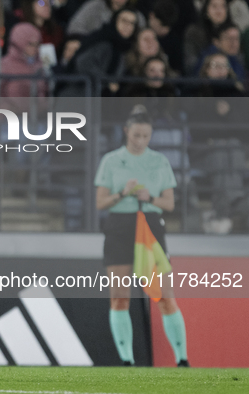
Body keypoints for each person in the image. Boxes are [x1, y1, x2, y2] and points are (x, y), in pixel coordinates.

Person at [95, 105, 189, 367]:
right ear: (126, 132)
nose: (140, 141)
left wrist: (150, 197)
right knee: (120, 295)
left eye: (145, 136)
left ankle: (182, 359)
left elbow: (169, 203)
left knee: (163, 295)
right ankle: (127, 360)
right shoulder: (111, 160)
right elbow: (101, 202)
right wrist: (122, 194)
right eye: (136, 135)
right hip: (120, 225)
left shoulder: (159, 161)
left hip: (149, 224)